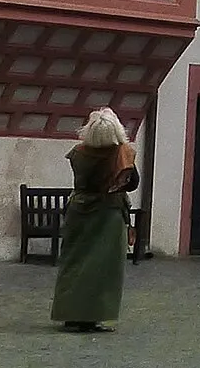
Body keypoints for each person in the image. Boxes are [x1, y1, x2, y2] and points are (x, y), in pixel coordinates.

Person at [51, 107, 139, 330]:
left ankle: (70, 314)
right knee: (103, 268)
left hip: (79, 210)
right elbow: (132, 182)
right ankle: (93, 316)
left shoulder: (78, 153)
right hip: (108, 214)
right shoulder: (121, 152)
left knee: (74, 263)